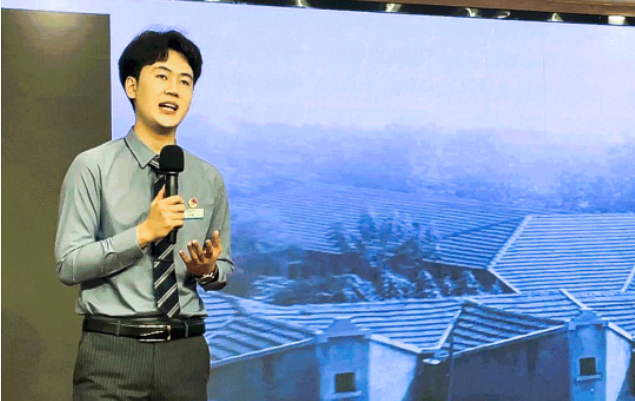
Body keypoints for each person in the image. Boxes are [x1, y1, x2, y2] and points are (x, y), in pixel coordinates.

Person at [54, 30, 233, 400]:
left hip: (185, 353)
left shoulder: (208, 177)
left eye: (185, 81)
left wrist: (208, 271)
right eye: (162, 76)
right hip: (113, 353)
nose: (174, 90)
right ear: (132, 86)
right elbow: (68, 264)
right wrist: (143, 233)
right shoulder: (92, 167)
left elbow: (225, 268)